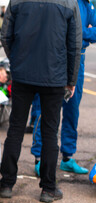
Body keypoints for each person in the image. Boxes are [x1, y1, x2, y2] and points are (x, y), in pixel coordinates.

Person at [0, 0, 81, 203]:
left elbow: (5, 36)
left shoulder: (17, 1)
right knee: (50, 132)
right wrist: (71, 80)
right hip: (54, 77)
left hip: (23, 74)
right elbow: (74, 44)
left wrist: (17, 61)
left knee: (16, 129)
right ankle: (48, 188)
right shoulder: (69, 3)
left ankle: (7, 183)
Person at [30, 0, 96, 177]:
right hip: (55, 59)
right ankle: (39, 157)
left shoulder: (87, 4)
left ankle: (67, 157)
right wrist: (84, 32)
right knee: (44, 109)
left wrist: (81, 32)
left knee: (72, 111)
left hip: (78, 60)